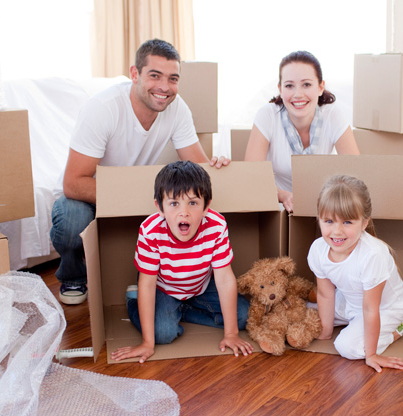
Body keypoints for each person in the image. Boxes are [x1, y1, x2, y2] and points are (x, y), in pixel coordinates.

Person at [50, 39, 229, 305]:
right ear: (135, 74)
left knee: (179, 210)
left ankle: (154, 284)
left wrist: (218, 166)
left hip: (138, 196)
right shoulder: (103, 109)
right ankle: (74, 275)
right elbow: (73, 183)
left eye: (173, 78)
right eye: (154, 76)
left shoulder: (177, 108)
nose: (164, 87)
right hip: (91, 198)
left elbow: (198, 169)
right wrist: (129, 198)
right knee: (71, 217)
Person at [111, 161, 253, 363]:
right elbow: (148, 283)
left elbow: (224, 279)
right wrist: (147, 343)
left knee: (244, 317)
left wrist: (231, 334)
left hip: (200, 286)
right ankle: (133, 301)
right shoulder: (150, 231)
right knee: (163, 333)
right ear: (160, 207)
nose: (184, 212)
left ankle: (183, 310)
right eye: (174, 203)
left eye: (193, 203)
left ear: (206, 207)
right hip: (163, 287)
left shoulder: (217, 225)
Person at [307, 175, 403, 373]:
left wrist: (371, 354)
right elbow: (325, 294)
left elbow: (370, 308)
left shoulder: (372, 254)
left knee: (346, 347)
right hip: (350, 301)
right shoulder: (318, 250)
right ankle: (348, 324)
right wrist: (325, 332)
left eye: (347, 222)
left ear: (364, 223)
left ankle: (399, 327)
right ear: (319, 219)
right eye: (329, 221)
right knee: (307, 314)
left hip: (383, 308)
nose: (337, 231)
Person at [244, 51, 359, 213]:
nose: (298, 94)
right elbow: (251, 176)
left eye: (306, 84)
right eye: (289, 86)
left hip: (322, 206)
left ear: (320, 87)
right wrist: (283, 196)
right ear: (280, 89)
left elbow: (355, 175)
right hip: (276, 206)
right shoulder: (268, 115)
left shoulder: (333, 115)